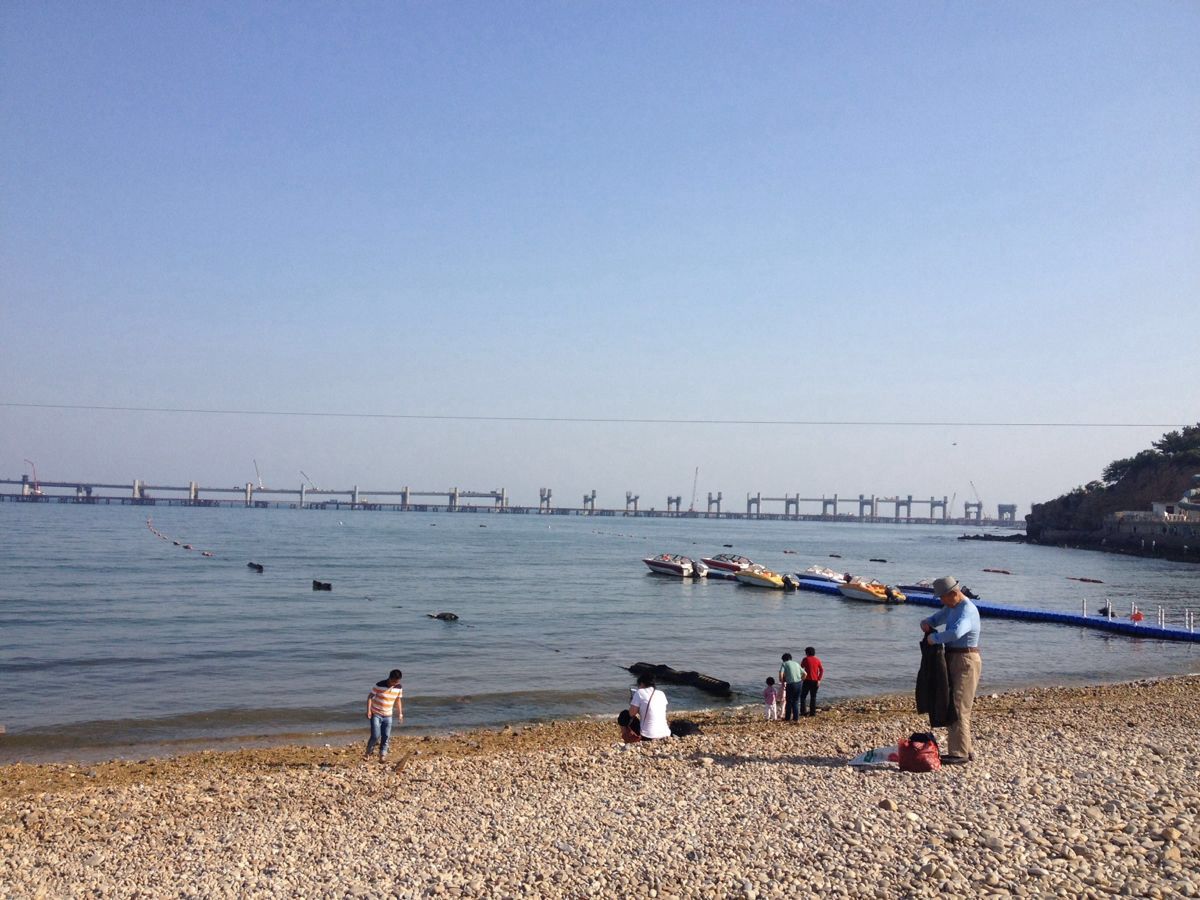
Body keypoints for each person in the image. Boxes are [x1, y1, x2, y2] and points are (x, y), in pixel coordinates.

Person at [920, 576, 981, 764]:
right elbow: (937, 618)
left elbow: (955, 633)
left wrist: (934, 640)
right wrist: (927, 622)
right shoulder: (952, 607)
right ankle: (966, 749)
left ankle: (959, 753)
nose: (941, 601)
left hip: (965, 659)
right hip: (953, 656)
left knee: (958, 706)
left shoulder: (967, 611)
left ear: (954, 594)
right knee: (954, 703)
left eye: (942, 597)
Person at [365, 668, 404, 762]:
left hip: (388, 715)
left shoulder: (399, 687)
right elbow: (370, 697)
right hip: (376, 714)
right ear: (389, 678)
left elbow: (398, 700)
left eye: (397, 682)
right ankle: (368, 753)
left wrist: (400, 714)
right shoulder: (379, 685)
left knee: (386, 735)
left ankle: (382, 754)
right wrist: (369, 711)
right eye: (393, 681)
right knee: (375, 735)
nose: (394, 684)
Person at [629, 674, 670, 740]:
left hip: (648, 736)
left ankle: (628, 739)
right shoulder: (661, 693)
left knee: (624, 715)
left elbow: (631, 714)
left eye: (638, 685)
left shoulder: (639, 692)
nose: (638, 687)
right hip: (666, 734)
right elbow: (655, 711)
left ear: (642, 683)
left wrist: (631, 702)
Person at [778, 652, 804, 721]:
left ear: (784, 659)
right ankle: (796, 718)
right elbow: (805, 673)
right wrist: (802, 679)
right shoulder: (796, 663)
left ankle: (787, 718)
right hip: (799, 683)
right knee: (796, 701)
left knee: (789, 701)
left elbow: (781, 674)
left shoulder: (784, 664)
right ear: (790, 658)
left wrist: (782, 681)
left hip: (791, 684)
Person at [800, 646, 824, 716]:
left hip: (807, 680)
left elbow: (801, 669)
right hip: (815, 681)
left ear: (807, 653)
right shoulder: (817, 660)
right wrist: (819, 679)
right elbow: (822, 670)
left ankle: (803, 712)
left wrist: (801, 677)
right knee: (813, 697)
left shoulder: (805, 659)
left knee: (803, 697)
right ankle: (812, 713)